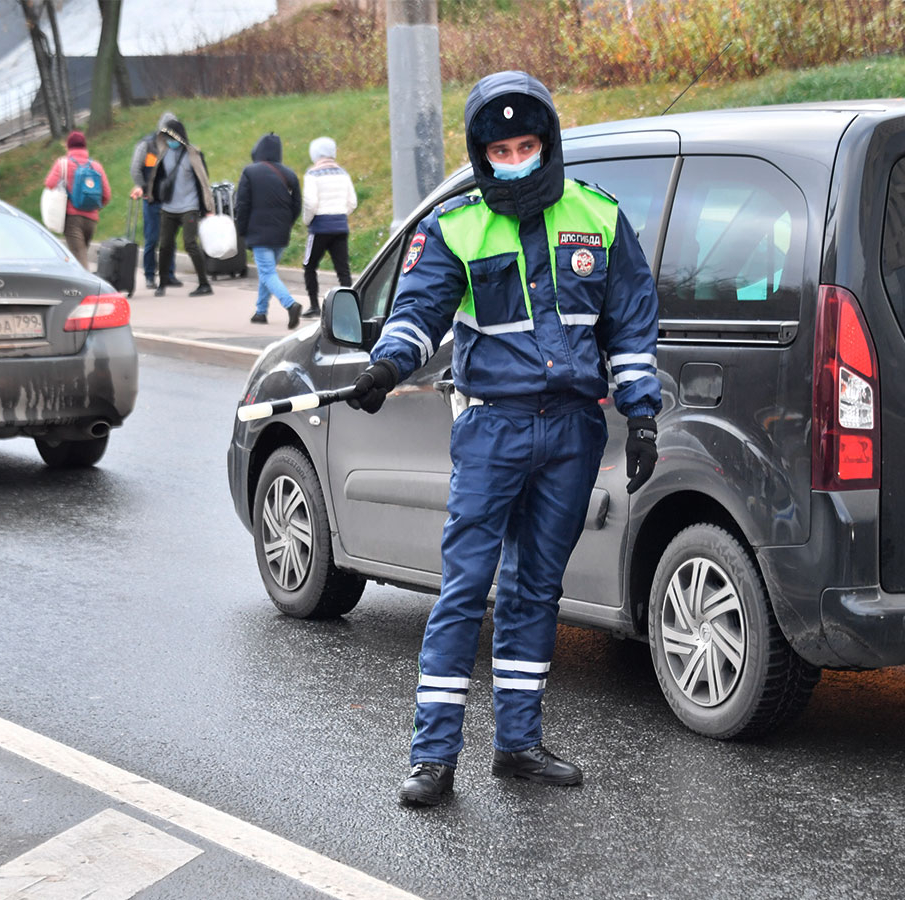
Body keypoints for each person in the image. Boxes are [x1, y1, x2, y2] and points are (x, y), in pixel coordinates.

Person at [349, 71, 661, 807]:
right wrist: (387, 363)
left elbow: (632, 328)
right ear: (481, 156)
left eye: (525, 145)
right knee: (464, 589)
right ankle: (433, 757)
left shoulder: (600, 219)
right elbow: (419, 311)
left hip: (575, 431)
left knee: (535, 590)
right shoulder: (455, 226)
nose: (513, 158)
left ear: (546, 144)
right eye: (499, 150)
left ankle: (517, 745)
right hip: (492, 426)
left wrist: (642, 413)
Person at [235, 132, 302, 328]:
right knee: (268, 273)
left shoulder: (250, 172)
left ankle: (290, 304)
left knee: (267, 273)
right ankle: (260, 312)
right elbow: (296, 205)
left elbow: (242, 204)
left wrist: (242, 230)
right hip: (281, 234)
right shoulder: (289, 174)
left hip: (258, 232)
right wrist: (286, 223)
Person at [144, 117, 215, 297]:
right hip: (168, 208)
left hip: (189, 207)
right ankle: (163, 282)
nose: (170, 141)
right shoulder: (163, 154)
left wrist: (208, 207)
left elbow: (203, 182)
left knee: (190, 243)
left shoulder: (194, 155)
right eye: (167, 137)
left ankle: (204, 283)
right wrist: (151, 195)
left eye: (173, 137)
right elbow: (156, 178)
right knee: (165, 245)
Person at [299, 135, 358, 319]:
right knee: (343, 269)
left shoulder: (312, 174)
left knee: (309, 266)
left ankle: (314, 305)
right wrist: (341, 213)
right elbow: (352, 202)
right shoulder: (343, 173)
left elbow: (310, 202)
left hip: (320, 227)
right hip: (341, 225)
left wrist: (307, 220)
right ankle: (349, 307)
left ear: (314, 154)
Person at [128, 112, 182, 290]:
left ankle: (169, 274)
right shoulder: (147, 145)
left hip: (170, 200)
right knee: (152, 238)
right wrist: (143, 188)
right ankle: (150, 275)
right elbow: (135, 169)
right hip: (151, 199)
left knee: (169, 239)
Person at [44, 131, 112, 269]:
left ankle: (87, 289)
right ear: (84, 146)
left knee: (79, 259)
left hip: (72, 219)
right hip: (91, 220)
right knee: (78, 256)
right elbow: (106, 194)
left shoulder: (63, 164)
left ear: (69, 146)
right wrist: (95, 208)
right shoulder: (96, 166)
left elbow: (49, 183)